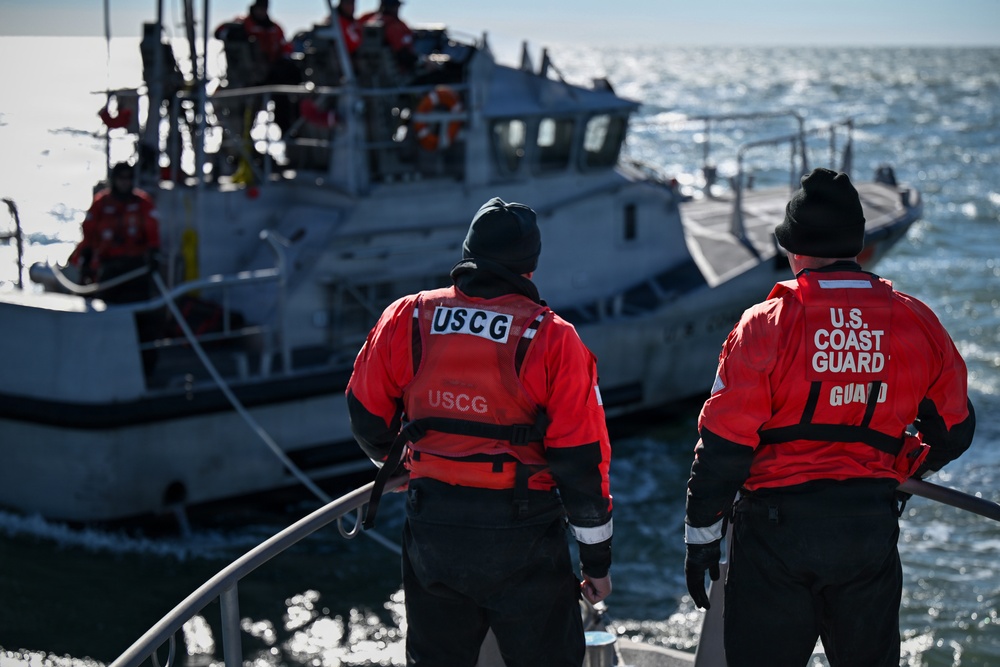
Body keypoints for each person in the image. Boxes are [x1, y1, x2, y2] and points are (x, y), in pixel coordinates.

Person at [683, 168, 976, 666]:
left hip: (775, 537)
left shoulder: (763, 325)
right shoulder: (915, 320)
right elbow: (954, 430)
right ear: (858, 246)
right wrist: (900, 470)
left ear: (794, 249)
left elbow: (723, 448)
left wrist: (701, 540)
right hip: (866, 532)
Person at [346, 197, 613, 666]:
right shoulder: (551, 338)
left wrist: (412, 466)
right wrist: (596, 564)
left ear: (467, 251)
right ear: (530, 267)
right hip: (522, 535)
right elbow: (581, 460)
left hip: (432, 524)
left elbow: (365, 413)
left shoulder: (407, 317)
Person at [69, 162, 164, 373]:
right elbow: (89, 235)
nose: (125, 183)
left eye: (128, 178)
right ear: (114, 180)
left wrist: (153, 256)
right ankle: (105, 362)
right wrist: (85, 263)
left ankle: (146, 365)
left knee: (142, 319)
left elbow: (152, 233)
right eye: (121, 178)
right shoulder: (102, 204)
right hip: (110, 270)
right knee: (106, 316)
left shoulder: (142, 204)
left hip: (136, 270)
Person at [215, 0, 301, 132]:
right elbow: (219, 32)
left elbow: (285, 47)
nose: (261, 11)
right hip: (246, 78)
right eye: (259, 8)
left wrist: (285, 58)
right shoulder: (243, 24)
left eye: (264, 8)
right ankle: (240, 142)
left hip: (270, 75)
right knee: (241, 116)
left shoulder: (274, 28)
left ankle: (287, 130)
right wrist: (234, 34)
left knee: (284, 100)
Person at [359, 0, 417, 72]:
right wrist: (422, 62)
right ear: (390, 7)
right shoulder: (392, 27)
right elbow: (404, 56)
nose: (398, 9)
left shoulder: (372, 21)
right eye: (396, 6)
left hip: (376, 71)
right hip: (399, 74)